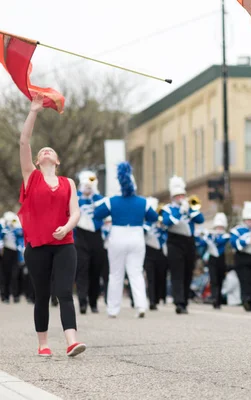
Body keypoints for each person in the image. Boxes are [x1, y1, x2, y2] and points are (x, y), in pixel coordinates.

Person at [17, 93, 86, 357]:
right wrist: (34, 110)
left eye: (51, 151)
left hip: (64, 244)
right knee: (42, 293)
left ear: (57, 161)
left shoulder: (68, 182)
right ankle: (43, 344)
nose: (46, 150)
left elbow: (75, 212)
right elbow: (24, 141)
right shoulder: (30, 178)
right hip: (37, 247)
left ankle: (71, 341)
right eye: (42, 151)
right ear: (37, 160)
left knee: (64, 292)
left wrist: (67, 228)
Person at [94, 162, 158, 318]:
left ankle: (113, 310)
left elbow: (97, 213)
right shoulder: (143, 202)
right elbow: (154, 217)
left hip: (117, 235)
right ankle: (141, 306)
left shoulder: (112, 200)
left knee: (115, 274)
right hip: (136, 235)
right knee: (136, 273)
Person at [161, 176, 205, 314]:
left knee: (187, 272)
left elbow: (200, 219)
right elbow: (167, 222)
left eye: (182, 195)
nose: (181, 198)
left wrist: (190, 210)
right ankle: (179, 302)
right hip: (175, 242)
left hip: (189, 242)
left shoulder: (189, 207)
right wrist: (180, 211)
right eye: (178, 196)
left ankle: (185, 301)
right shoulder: (168, 208)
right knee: (177, 272)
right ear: (173, 197)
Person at [74, 170, 106, 314]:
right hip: (80, 237)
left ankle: (93, 302)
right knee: (82, 270)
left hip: (96, 237)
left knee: (95, 269)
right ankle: (82, 301)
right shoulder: (75, 198)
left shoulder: (99, 198)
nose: (88, 188)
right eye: (85, 186)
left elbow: (104, 212)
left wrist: (94, 197)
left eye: (90, 186)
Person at [143, 197, 168, 310]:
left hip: (160, 252)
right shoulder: (146, 221)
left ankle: (159, 298)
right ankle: (152, 301)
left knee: (160, 275)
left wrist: (161, 225)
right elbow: (143, 231)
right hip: (148, 252)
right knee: (151, 277)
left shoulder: (161, 222)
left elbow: (166, 234)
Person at [203, 212, 230, 309]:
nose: (219, 229)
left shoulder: (225, 236)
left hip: (221, 259)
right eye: (218, 227)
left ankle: (218, 299)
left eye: (221, 227)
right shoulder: (210, 235)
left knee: (220, 280)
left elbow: (220, 241)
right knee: (213, 280)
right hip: (212, 259)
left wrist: (212, 236)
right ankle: (214, 298)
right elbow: (202, 243)